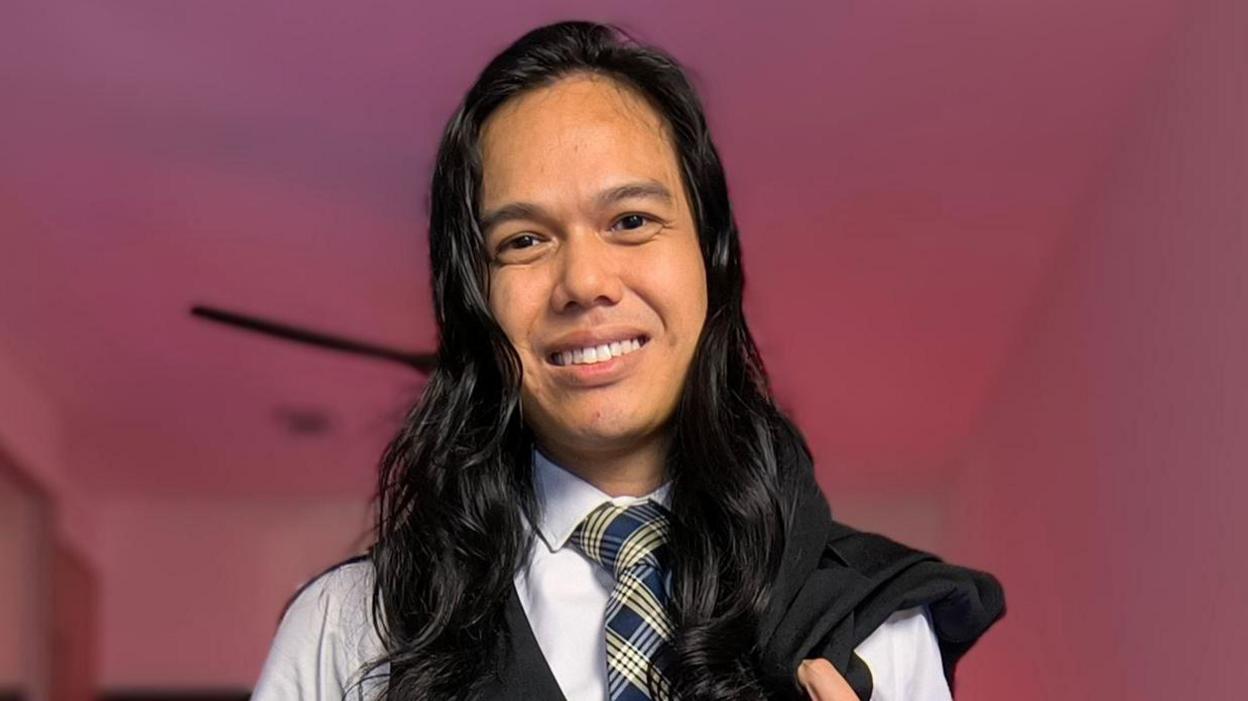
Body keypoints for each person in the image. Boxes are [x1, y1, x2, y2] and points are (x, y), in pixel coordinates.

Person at [252, 20, 1003, 701]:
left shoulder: (874, 628)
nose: (584, 282)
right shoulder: (351, 634)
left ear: (710, 258)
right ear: (472, 301)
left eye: (632, 221)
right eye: (523, 241)